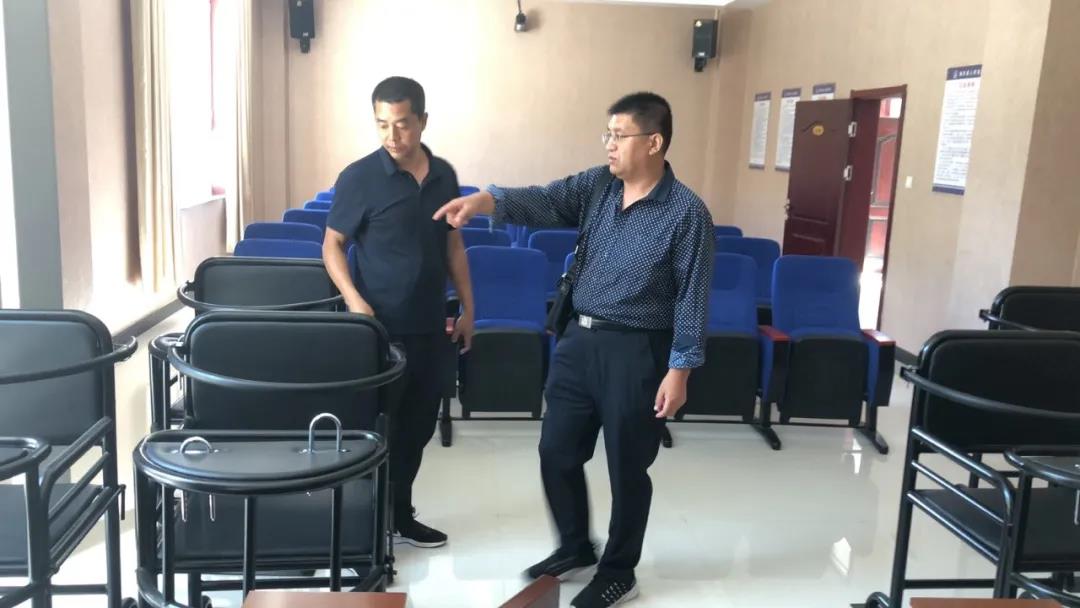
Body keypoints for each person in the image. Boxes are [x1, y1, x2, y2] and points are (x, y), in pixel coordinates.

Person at [434, 92, 713, 607]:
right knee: (556, 450)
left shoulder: (686, 213)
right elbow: (543, 200)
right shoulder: (598, 186)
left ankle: (618, 571)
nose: (609, 144)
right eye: (607, 134)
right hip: (578, 341)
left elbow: (692, 296)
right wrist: (484, 200)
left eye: (619, 135)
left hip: (637, 351)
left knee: (627, 468)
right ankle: (574, 545)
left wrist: (680, 370)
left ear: (654, 142)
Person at [323, 76, 474, 548]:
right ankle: (364, 523)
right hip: (379, 329)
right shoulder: (359, 177)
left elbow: (453, 245)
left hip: (430, 325)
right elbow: (332, 245)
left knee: (418, 426)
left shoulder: (444, 175)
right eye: (382, 124)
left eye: (402, 124)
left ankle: (400, 515)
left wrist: (469, 308)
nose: (392, 136)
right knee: (376, 427)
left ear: (422, 121)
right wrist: (355, 300)